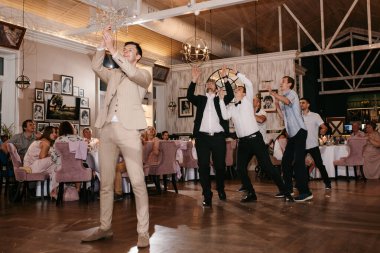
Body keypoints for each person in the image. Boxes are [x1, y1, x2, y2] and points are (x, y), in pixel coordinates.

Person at [81, 25, 151, 248]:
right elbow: (95, 65)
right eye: (125, 48)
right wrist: (103, 45)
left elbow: (131, 72)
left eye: (130, 50)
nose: (126, 50)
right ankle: (104, 227)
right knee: (106, 183)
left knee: (138, 182)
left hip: (130, 131)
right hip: (107, 131)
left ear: (138, 56)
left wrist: (115, 51)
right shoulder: (113, 74)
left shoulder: (143, 74)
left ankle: (142, 232)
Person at [219, 68, 293, 202]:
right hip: (243, 142)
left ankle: (284, 190)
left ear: (244, 94)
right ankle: (251, 193)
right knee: (240, 169)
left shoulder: (247, 101)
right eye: (235, 91)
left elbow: (248, 84)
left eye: (239, 90)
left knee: (268, 167)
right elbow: (224, 115)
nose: (237, 91)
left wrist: (237, 73)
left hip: (255, 139)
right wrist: (220, 99)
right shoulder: (231, 108)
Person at [186, 65, 234, 207]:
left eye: (212, 83)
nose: (209, 84)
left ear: (216, 86)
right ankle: (207, 195)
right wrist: (194, 80)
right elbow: (189, 96)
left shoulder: (220, 100)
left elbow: (230, 95)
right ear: (206, 87)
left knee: (220, 167)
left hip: (218, 138)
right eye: (207, 83)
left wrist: (225, 78)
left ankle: (220, 188)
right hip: (202, 138)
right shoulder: (200, 100)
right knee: (203, 166)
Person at [269, 76, 312, 202]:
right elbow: (283, 116)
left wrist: (273, 93)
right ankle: (287, 189)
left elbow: (287, 101)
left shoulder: (292, 94)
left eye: (283, 81)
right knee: (286, 161)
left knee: (298, 162)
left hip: (300, 132)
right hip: (292, 135)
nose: (281, 83)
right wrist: (277, 104)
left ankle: (306, 192)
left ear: (289, 84)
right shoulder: (284, 99)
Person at [300, 97, 331, 189]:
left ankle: (327, 183)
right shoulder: (298, 116)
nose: (301, 104)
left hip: (313, 144)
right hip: (301, 145)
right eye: (300, 103)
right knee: (300, 165)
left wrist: (323, 130)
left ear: (308, 105)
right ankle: (301, 183)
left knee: (319, 164)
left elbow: (324, 127)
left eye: (303, 103)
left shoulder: (315, 115)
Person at [23, 126, 58, 196]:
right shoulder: (45, 143)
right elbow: (42, 157)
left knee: (56, 167)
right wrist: (52, 155)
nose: (55, 134)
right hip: (30, 168)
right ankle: (55, 190)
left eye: (56, 132)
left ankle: (54, 190)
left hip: (33, 166)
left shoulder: (42, 141)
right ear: (48, 133)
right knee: (55, 159)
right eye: (53, 132)